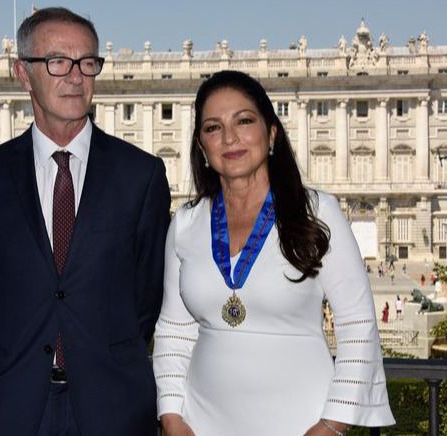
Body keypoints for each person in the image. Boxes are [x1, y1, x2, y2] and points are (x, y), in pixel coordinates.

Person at [0, 7, 171, 435]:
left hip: (112, 407)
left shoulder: (141, 175)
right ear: (22, 72)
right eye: (57, 61)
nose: (75, 76)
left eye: (87, 62)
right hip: (8, 406)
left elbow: (147, 295)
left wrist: (102, 354)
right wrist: (12, 356)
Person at [153, 71, 394, 436]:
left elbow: (357, 326)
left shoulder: (319, 212)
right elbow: (174, 330)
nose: (229, 137)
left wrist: (332, 424)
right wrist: (172, 416)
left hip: (302, 424)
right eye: (213, 128)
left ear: (272, 134)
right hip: (202, 424)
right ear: (201, 147)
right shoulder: (185, 223)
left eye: (244, 121)